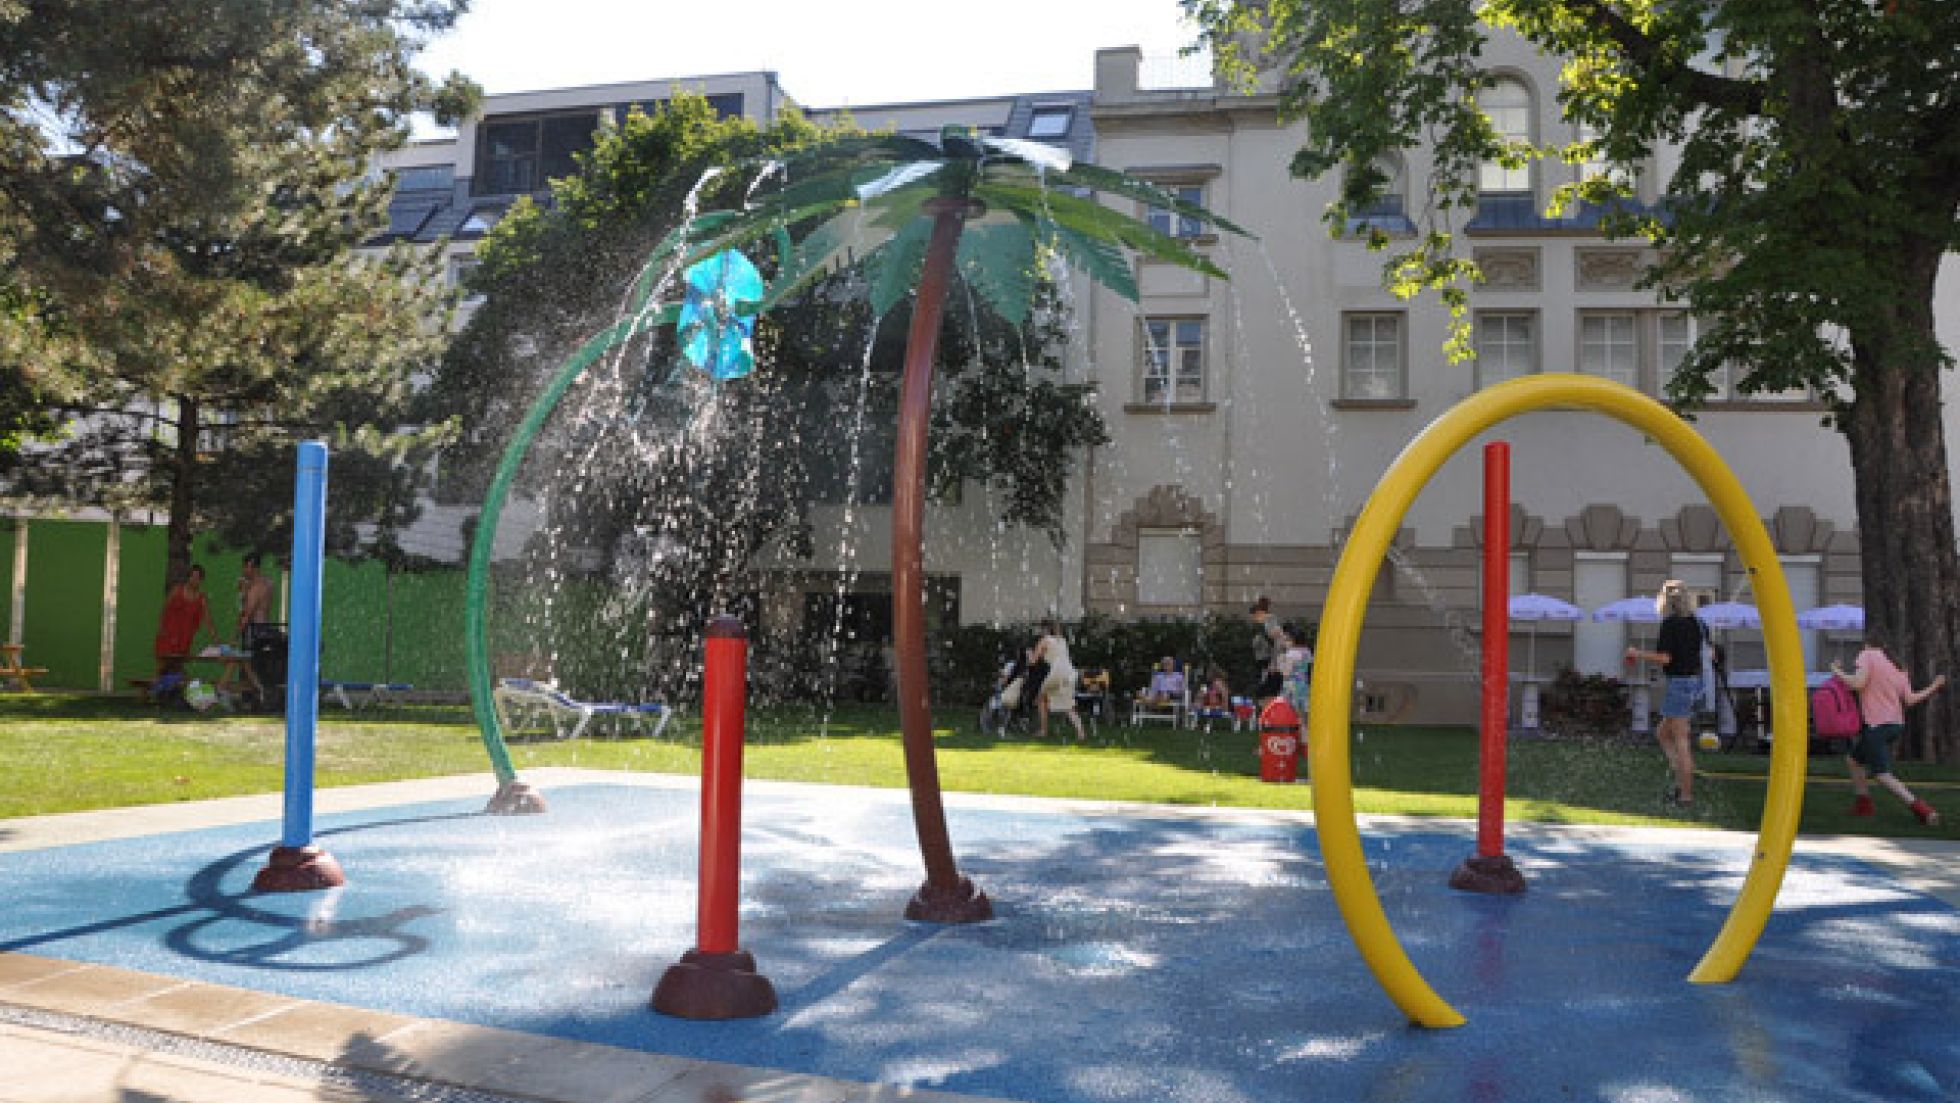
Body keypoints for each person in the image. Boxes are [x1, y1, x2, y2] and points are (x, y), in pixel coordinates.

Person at [1831, 637, 1945, 826]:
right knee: (1853, 760)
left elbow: (1858, 684)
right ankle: (1863, 805)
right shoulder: (1898, 666)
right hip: (1894, 724)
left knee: (1882, 775)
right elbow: (1909, 700)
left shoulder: (1867, 655)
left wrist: (1837, 671)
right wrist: (1935, 686)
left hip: (1877, 726)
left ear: (1867, 643)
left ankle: (1924, 811)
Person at [1625, 580, 1706, 808]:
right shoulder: (1697, 623)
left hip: (1680, 684)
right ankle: (1682, 777)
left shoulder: (1671, 624)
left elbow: (1665, 658)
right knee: (1663, 733)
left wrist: (1637, 653)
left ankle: (1686, 795)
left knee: (1681, 740)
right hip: (1695, 683)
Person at [1029, 617, 1086, 742]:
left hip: (1057, 673)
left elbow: (1033, 661)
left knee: (1040, 699)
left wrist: (1029, 655)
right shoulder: (1062, 640)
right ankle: (1081, 733)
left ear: (1044, 629)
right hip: (1070, 673)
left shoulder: (1044, 640)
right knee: (1069, 706)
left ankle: (1043, 730)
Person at [153, 565, 216, 673]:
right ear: (189, 577)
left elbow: (208, 620)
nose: (195, 580)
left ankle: (175, 687)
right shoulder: (177, 591)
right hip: (168, 636)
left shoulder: (201, 599)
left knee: (178, 666)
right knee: (163, 667)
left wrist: (215, 639)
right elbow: (164, 610)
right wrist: (161, 630)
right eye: (193, 576)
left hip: (185, 638)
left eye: (198, 578)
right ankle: (158, 687)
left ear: (201, 580)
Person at [1250, 596, 1287, 701]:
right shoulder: (1266, 622)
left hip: (1268, 660)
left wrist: (1273, 663)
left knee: (1267, 688)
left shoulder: (1269, 621)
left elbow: (1275, 640)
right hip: (1266, 659)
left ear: (1258, 612)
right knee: (1267, 687)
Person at [236, 552, 274, 645]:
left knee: (251, 657)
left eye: (245, 567)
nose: (244, 570)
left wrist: (234, 638)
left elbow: (247, 614)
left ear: (252, 567)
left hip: (254, 631)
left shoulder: (256, 588)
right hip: (264, 627)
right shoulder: (268, 583)